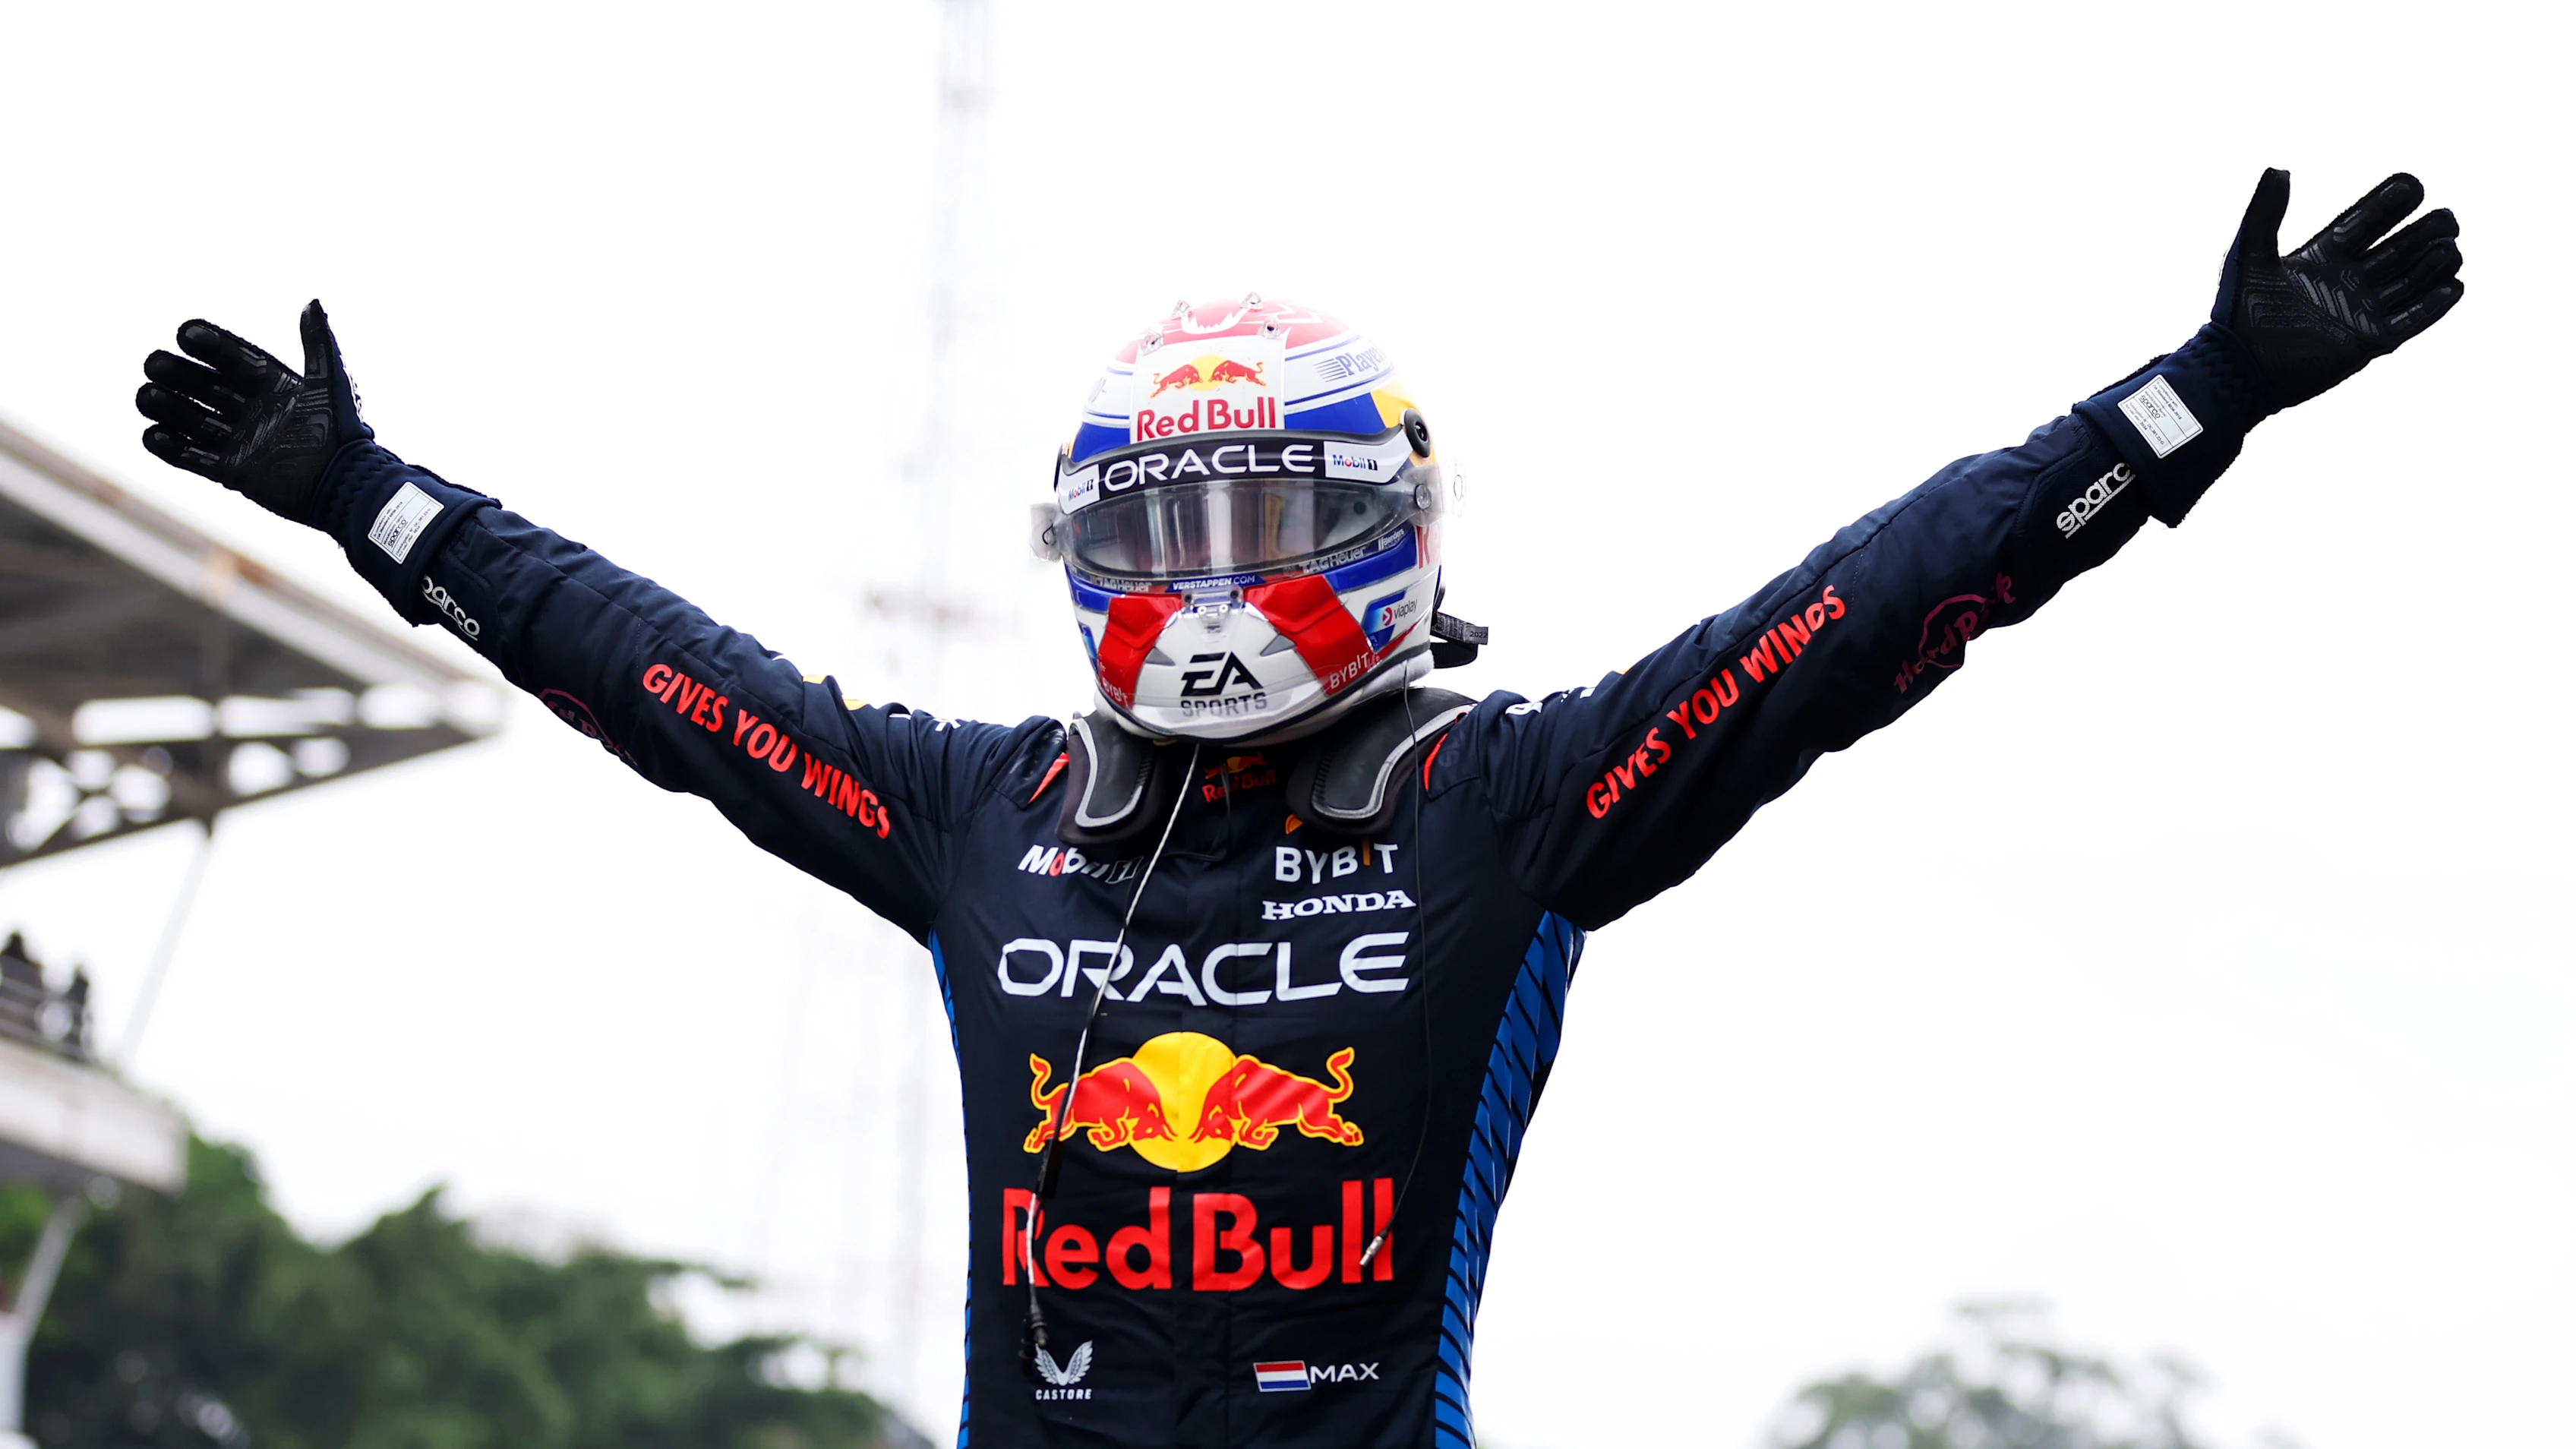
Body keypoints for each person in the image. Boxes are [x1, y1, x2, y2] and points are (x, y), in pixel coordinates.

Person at [132, 169, 2462, 1449]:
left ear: (1388, 530)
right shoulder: (978, 808)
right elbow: (658, 677)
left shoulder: (1516, 799)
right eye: (1163, 537)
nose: (1215, 587)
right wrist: (369, 496)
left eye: (1267, 524)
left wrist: (2191, 405)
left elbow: (1862, 617)